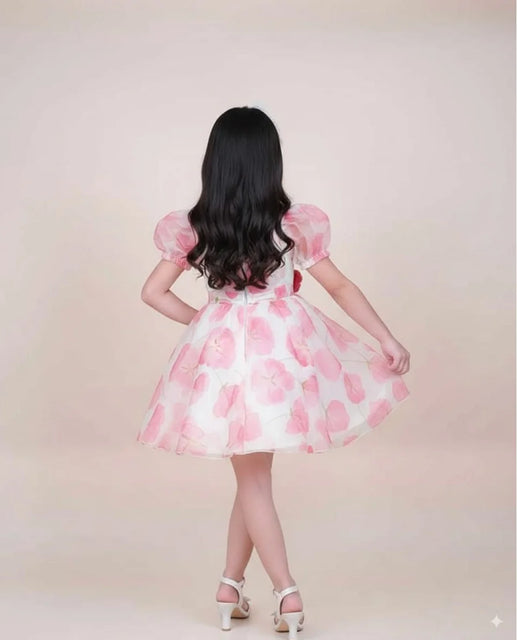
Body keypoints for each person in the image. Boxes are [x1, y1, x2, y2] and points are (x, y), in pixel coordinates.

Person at [137, 106, 411, 637]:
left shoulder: (199, 227)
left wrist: (207, 324)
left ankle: (231, 586)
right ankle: (286, 593)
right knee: (255, 477)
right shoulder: (289, 226)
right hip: (281, 360)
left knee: (252, 477)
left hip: (227, 365)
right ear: (270, 162)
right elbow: (340, 287)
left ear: (215, 163)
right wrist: (385, 337)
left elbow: (152, 292)